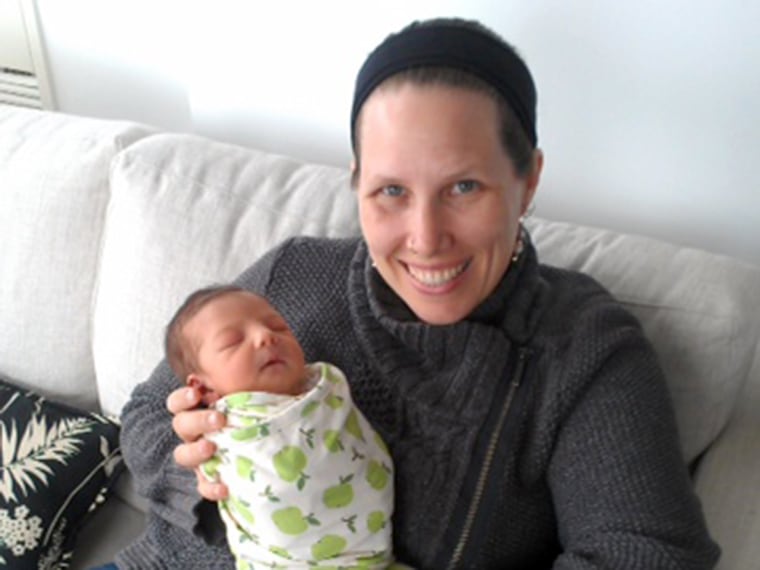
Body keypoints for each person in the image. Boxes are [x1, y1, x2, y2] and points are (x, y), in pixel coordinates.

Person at [115, 17, 721, 569]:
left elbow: (651, 555)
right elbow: (144, 414)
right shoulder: (291, 276)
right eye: (391, 192)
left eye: (463, 187)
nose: (426, 239)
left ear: (528, 181)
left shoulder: (582, 351)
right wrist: (199, 480)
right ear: (356, 184)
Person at [162, 284, 396, 568]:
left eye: (279, 327)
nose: (266, 336)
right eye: (233, 342)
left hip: (370, 554)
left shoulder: (326, 388)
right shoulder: (219, 431)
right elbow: (142, 412)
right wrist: (195, 465)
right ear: (202, 386)